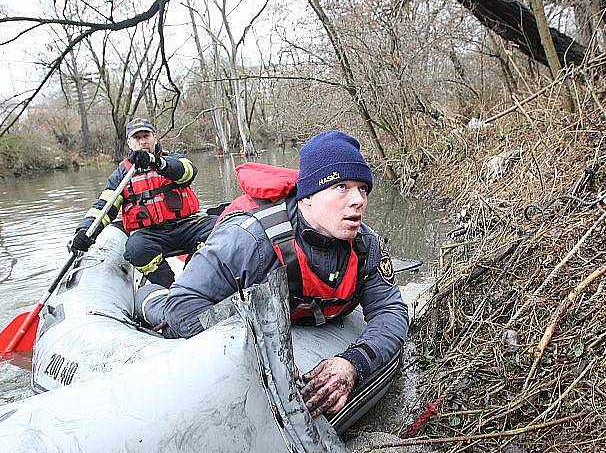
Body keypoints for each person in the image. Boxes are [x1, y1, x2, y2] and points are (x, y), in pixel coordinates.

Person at [138, 130, 409, 418]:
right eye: (341, 187)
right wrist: (259, 350)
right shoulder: (252, 239)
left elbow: (390, 310)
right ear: (308, 197)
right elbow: (183, 306)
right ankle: (145, 295)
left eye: (363, 188)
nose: (358, 200)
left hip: (296, 313)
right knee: (164, 313)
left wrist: (354, 362)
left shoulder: (367, 245)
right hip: (216, 304)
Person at [71, 117, 215, 287]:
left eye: (146, 136)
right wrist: (85, 231)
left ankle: (195, 276)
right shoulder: (122, 175)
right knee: (135, 249)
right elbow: (104, 206)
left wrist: (156, 163)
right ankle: (170, 288)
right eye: (137, 138)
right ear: (129, 143)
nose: (142, 141)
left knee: (219, 228)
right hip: (152, 234)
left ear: (155, 137)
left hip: (187, 225)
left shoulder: (173, 159)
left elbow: (188, 172)